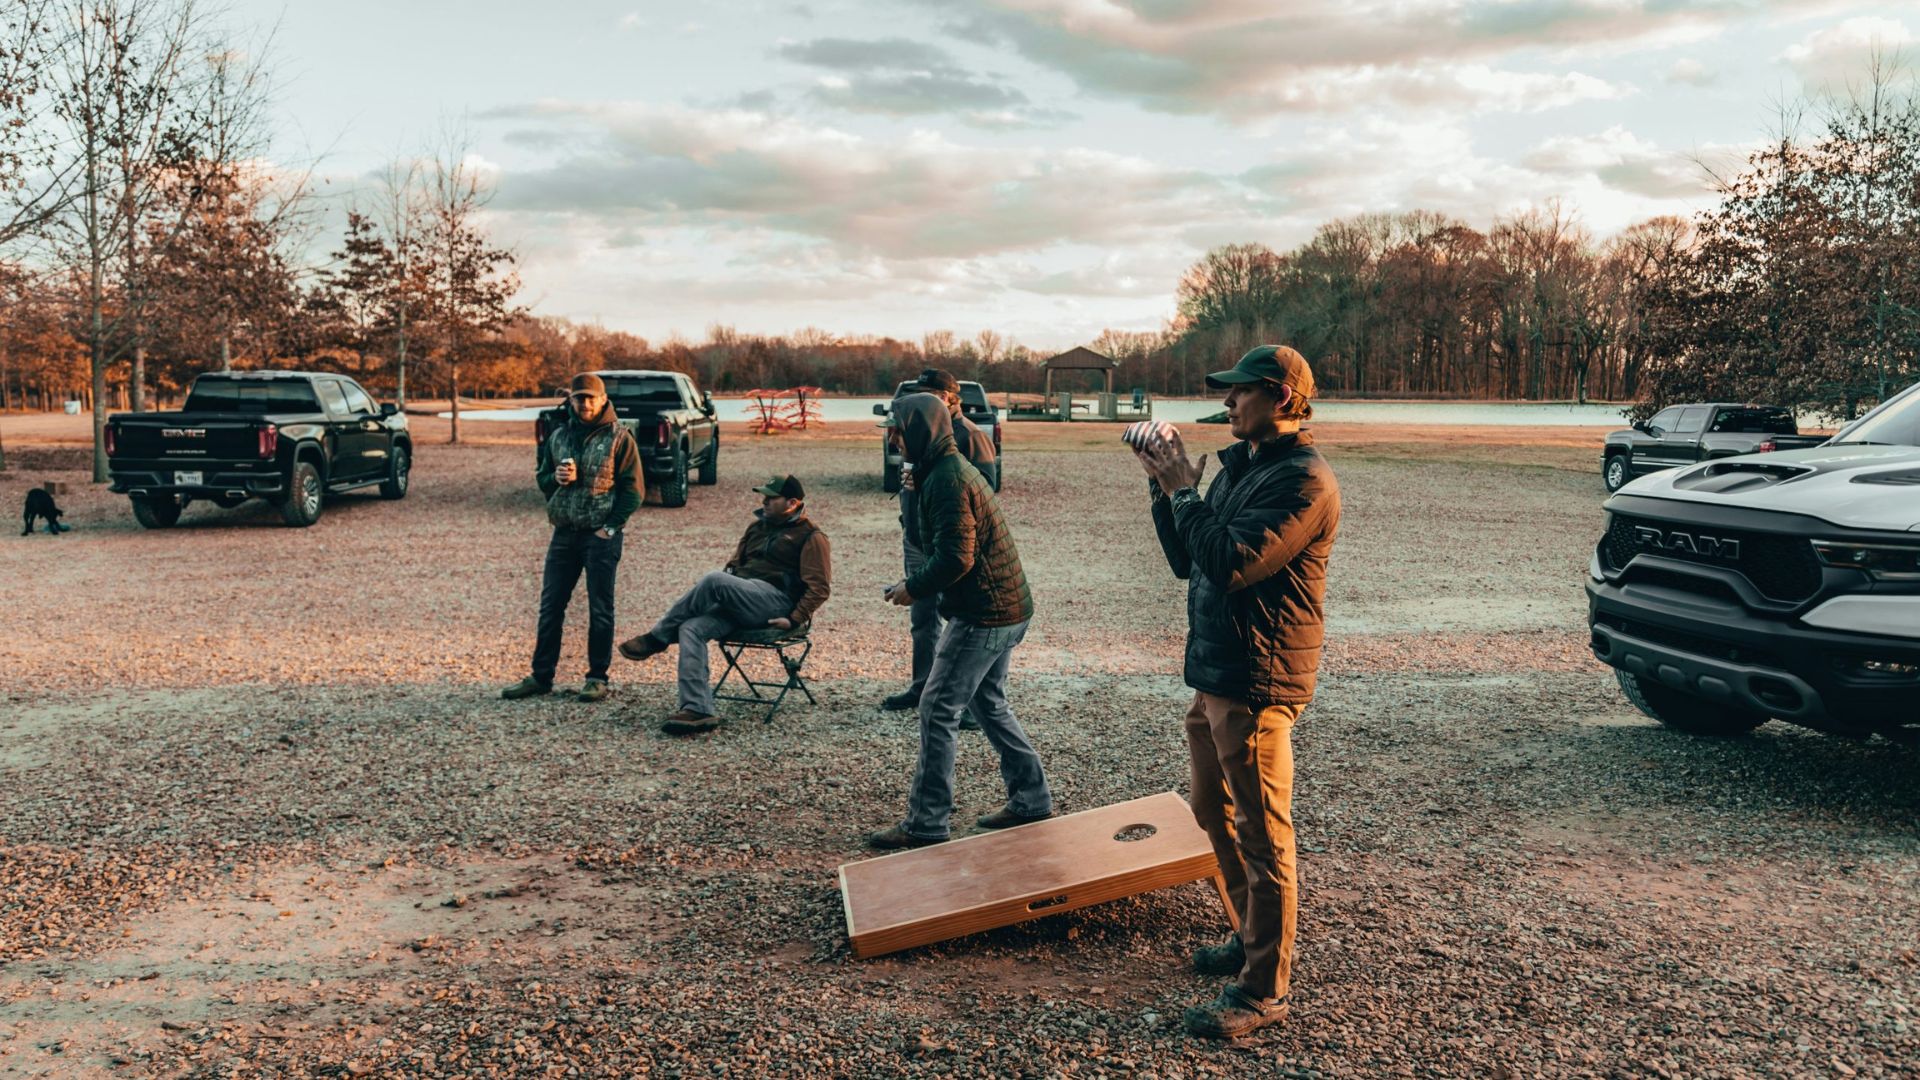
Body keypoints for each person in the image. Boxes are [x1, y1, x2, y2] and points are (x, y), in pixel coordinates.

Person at [1133, 344, 1340, 1040]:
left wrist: (1185, 493)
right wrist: (1165, 489)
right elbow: (1186, 560)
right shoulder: (1242, 467)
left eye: (1239, 392)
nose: (1226, 403)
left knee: (1263, 836)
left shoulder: (1304, 481)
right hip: (1215, 675)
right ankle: (1251, 933)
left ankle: (1262, 990)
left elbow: (1229, 564)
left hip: (1257, 682)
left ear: (1280, 397)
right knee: (1209, 810)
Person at [867, 393, 1051, 850]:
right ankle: (1031, 799)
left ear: (919, 431)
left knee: (936, 708)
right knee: (988, 704)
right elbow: (924, 539)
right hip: (1005, 608)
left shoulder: (948, 479)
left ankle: (926, 823)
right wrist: (910, 488)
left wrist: (913, 588)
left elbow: (955, 558)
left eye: (897, 431)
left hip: (984, 614)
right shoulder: (938, 471)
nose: (892, 439)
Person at [619, 475, 831, 734]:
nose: (764, 502)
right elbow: (733, 566)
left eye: (771, 497)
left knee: (713, 579)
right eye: (763, 497)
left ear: (792, 503)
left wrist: (794, 618)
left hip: (776, 603)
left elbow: (819, 588)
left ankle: (657, 637)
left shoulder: (811, 536)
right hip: (742, 600)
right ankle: (697, 709)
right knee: (691, 627)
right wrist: (719, 600)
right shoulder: (756, 528)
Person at [502, 373, 643, 703]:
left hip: (600, 537)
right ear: (572, 400)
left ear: (603, 399)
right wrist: (556, 477)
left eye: (591, 398)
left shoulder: (620, 438)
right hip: (564, 534)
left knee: (600, 609)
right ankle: (541, 676)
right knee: (550, 607)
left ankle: (597, 678)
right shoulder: (558, 435)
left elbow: (634, 490)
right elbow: (542, 479)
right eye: (580, 398)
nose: (585, 404)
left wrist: (610, 528)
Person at [880, 369, 997, 714]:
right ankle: (922, 688)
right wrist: (908, 518)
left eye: (928, 392)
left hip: (950, 544)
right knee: (923, 619)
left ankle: (966, 703)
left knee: (962, 622)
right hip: (917, 540)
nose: (919, 398)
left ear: (947, 397)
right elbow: (910, 481)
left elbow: (984, 490)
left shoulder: (969, 435)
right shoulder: (916, 429)